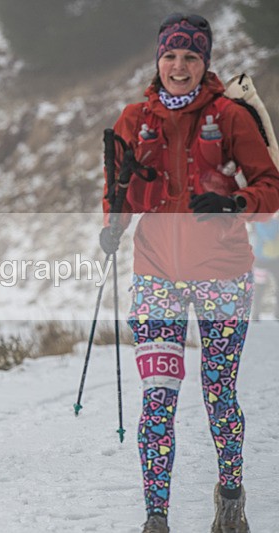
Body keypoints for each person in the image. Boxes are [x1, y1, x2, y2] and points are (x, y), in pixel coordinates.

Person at [99, 13, 279, 533]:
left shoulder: (230, 117)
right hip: (156, 275)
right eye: (171, 56)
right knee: (158, 401)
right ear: (159, 60)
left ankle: (230, 495)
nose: (180, 66)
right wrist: (112, 221)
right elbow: (119, 194)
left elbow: (270, 187)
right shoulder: (135, 118)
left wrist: (234, 203)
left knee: (218, 395)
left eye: (191, 57)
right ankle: (156, 518)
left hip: (223, 274)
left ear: (205, 62)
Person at [252, 214, 279, 319]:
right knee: (259, 287)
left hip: (272, 259)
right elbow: (269, 236)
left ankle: (276, 313)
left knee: (261, 287)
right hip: (263, 260)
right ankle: (256, 313)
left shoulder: (259, 223)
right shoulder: (271, 223)